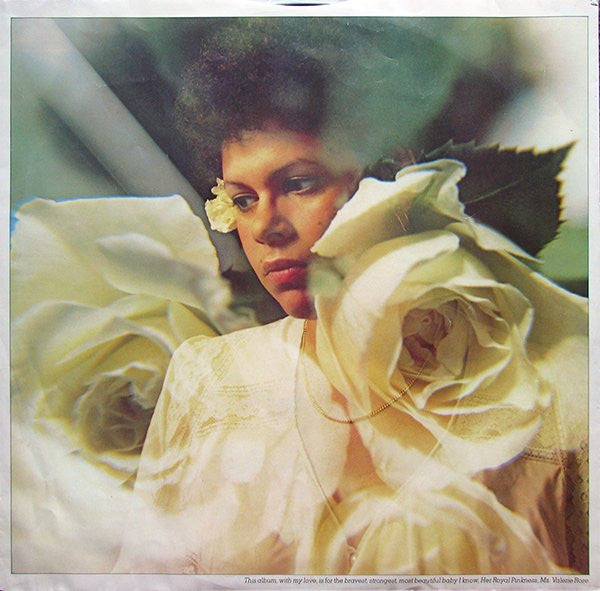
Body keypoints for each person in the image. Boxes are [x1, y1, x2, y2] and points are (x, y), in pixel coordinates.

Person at [114, 22, 588, 575]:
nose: (265, 227)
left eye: (298, 184)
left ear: (387, 175)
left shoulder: (550, 395)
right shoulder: (209, 383)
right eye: (242, 200)